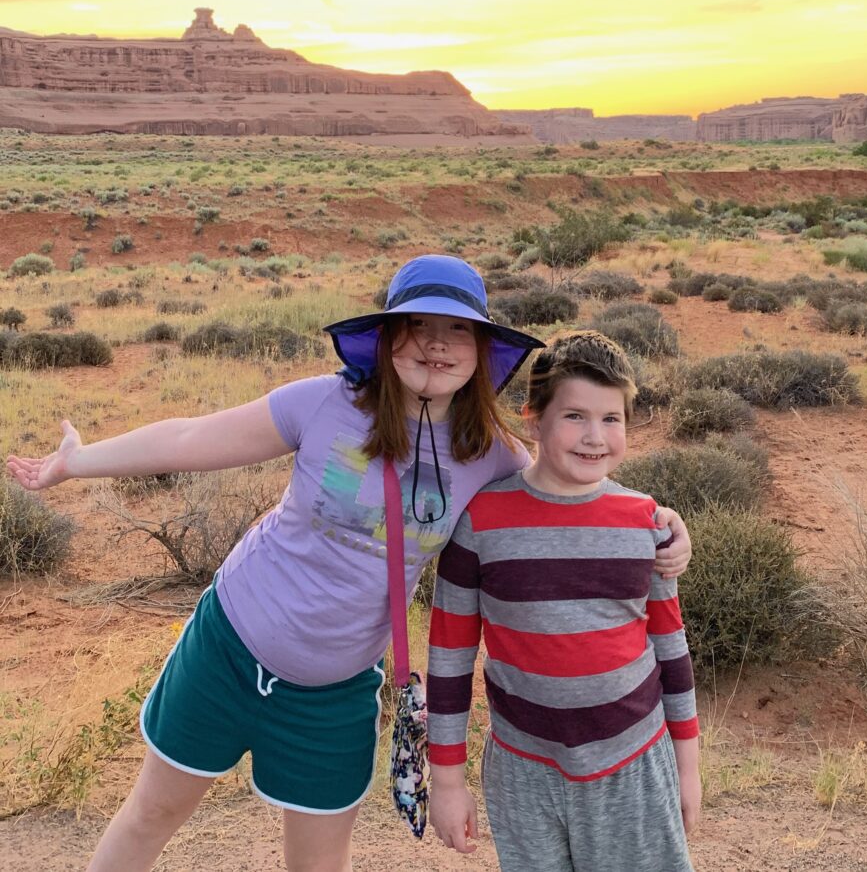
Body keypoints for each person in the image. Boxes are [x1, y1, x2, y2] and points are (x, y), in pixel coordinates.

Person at [5, 256, 692, 872]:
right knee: (151, 814)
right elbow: (191, 437)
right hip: (226, 648)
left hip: (333, 694)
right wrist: (79, 460)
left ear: (480, 350)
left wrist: (662, 527)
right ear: (387, 338)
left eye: (456, 331)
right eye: (416, 325)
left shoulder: (490, 454)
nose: (435, 344)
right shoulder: (322, 404)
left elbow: (568, 485)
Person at [427, 330, 700, 872]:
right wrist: (447, 780)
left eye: (612, 419)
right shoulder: (481, 521)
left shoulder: (647, 524)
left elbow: (671, 648)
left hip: (633, 764)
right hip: (523, 769)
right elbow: (449, 658)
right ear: (533, 418)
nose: (595, 437)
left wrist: (687, 769)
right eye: (575, 416)